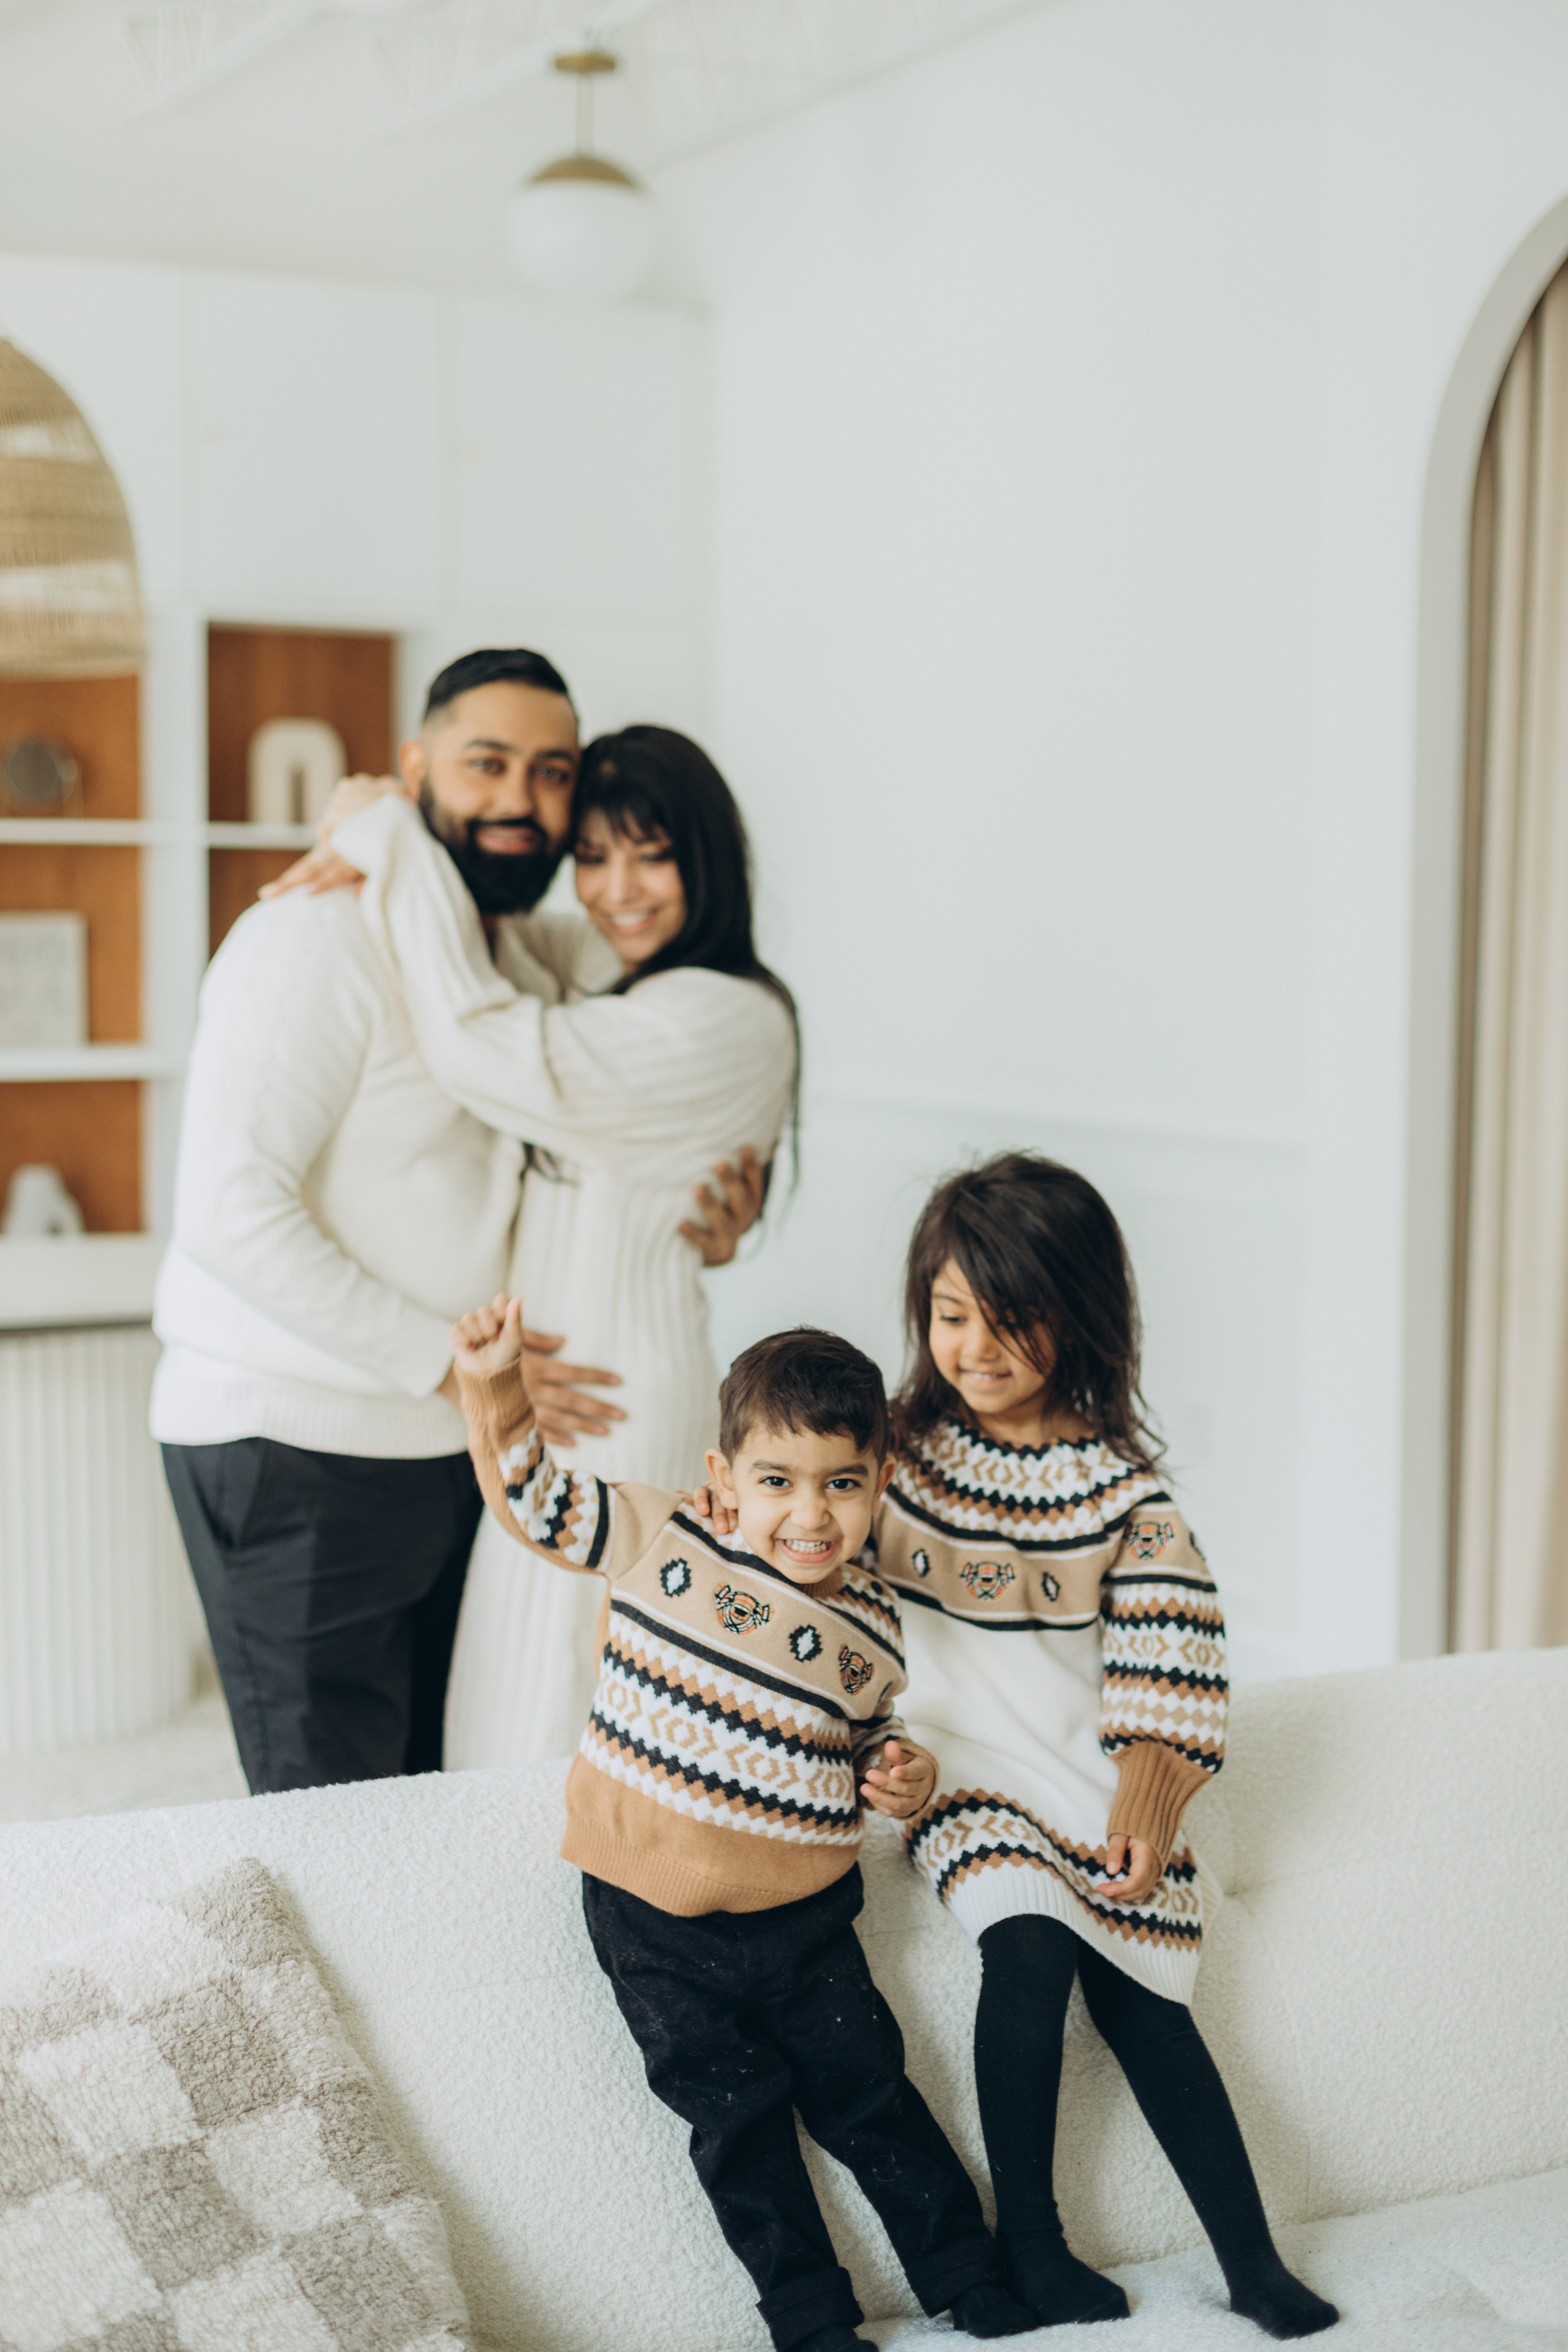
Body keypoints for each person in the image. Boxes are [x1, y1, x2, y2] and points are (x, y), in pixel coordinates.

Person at [696, 1155, 1340, 2339]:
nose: (974, 1346)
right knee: (1030, 1945)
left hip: (1080, 1776)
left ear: (1083, 1318)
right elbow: (784, 1537)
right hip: (948, 1769)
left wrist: (1144, 1814)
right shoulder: (886, 1457)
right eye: (949, 1316)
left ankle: (1251, 2263)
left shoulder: (1122, 1497)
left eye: (1011, 1319)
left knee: (1153, 2001)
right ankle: (1031, 2243)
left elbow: (1171, 1663)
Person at [153, 647, 755, 1794]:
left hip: (451, 1444)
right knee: (329, 1815)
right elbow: (229, 1215)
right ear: (417, 768)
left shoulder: (510, 945)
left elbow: (662, 1016)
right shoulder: (308, 941)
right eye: (488, 765)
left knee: (435, 1793)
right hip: (300, 1441)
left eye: (552, 772)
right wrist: (446, 1367)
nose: (521, 801)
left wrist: (723, 1207)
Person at [449, 1297, 1037, 2352]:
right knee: (739, 2129)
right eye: (778, 1482)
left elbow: (860, 1732)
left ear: (878, 1487)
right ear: (726, 1481)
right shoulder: (658, 1532)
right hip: (651, 1913)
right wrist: (498, 1388)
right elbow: (533, 1501)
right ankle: (812, 2322)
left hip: (807, 1919)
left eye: (841, 1486)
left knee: (874, 2100)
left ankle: (968, 2275)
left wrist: (895, 1770)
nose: (810, 1516)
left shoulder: (874, 1619)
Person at [301, 724, 799, 1764]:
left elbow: (478, 1040)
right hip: (553, 1388)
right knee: (517, 1688)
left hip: (617, 1396)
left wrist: (390, 830)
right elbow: (499, 945)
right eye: (593, 856)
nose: (615, 889)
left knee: (575, 1711)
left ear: (704, 857)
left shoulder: (725, 1014)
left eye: (649, 853)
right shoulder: (620, 972)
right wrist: (388, 812)